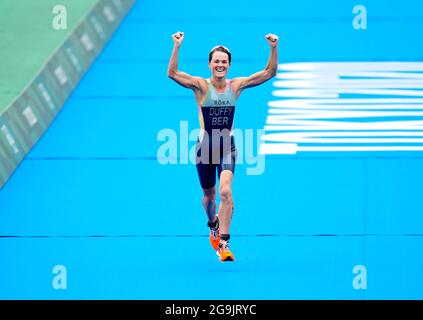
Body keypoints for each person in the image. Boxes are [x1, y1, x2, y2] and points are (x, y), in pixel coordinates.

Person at [167, 31, 278, 262]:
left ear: (229, 65)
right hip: (205, 149)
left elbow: (269, 72)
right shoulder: (200, 86)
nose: (220, 65)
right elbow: (173, 73)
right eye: (216, 61)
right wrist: (177, 46)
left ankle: (224, 244)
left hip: (227, 146)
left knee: (226, 190)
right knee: (209, 197)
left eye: (224, 62)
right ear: (209, 64)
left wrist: (273, 48)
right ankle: (213, 224)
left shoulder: (235, 86)